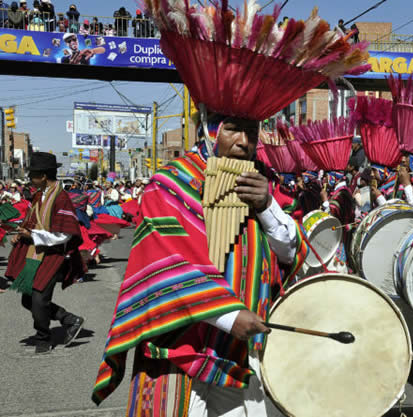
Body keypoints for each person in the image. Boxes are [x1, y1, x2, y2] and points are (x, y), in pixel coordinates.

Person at [92, 3, 368, 415]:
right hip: (180, 352)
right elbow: (168, 265)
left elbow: (293, 256)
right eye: (233, 129)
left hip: (244, 353)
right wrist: (224, 314)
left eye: (251, 130)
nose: (244, 142)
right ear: (208, 127)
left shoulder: (265, 185)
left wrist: (267, 207)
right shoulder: (168, 186)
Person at [5, 152, 85, 354]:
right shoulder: (39, 194)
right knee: (27, 299)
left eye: (33, 175)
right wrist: (21, 233)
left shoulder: (61, 198)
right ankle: (70, 320)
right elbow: (33, 219)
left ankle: (44, 338)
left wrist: (32, 235)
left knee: (39, 299)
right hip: (34, 252)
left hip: (52, 255)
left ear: (42, 176)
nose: (30, 179)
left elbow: (65, 234)